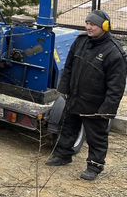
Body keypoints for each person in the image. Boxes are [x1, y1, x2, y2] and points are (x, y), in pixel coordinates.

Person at [46, 9, 126, 180]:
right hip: (74, 97)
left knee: (96, 137)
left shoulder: (114, 52)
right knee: (68, 128)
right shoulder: (81, 41)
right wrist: (64, 89)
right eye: (87, 23)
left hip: (95, 105)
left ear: (105, 27)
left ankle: (94, 166)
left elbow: (116, 87)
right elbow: (68, 67)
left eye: (93, 25)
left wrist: (107, 110)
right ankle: (62, 155)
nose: (89, 27)